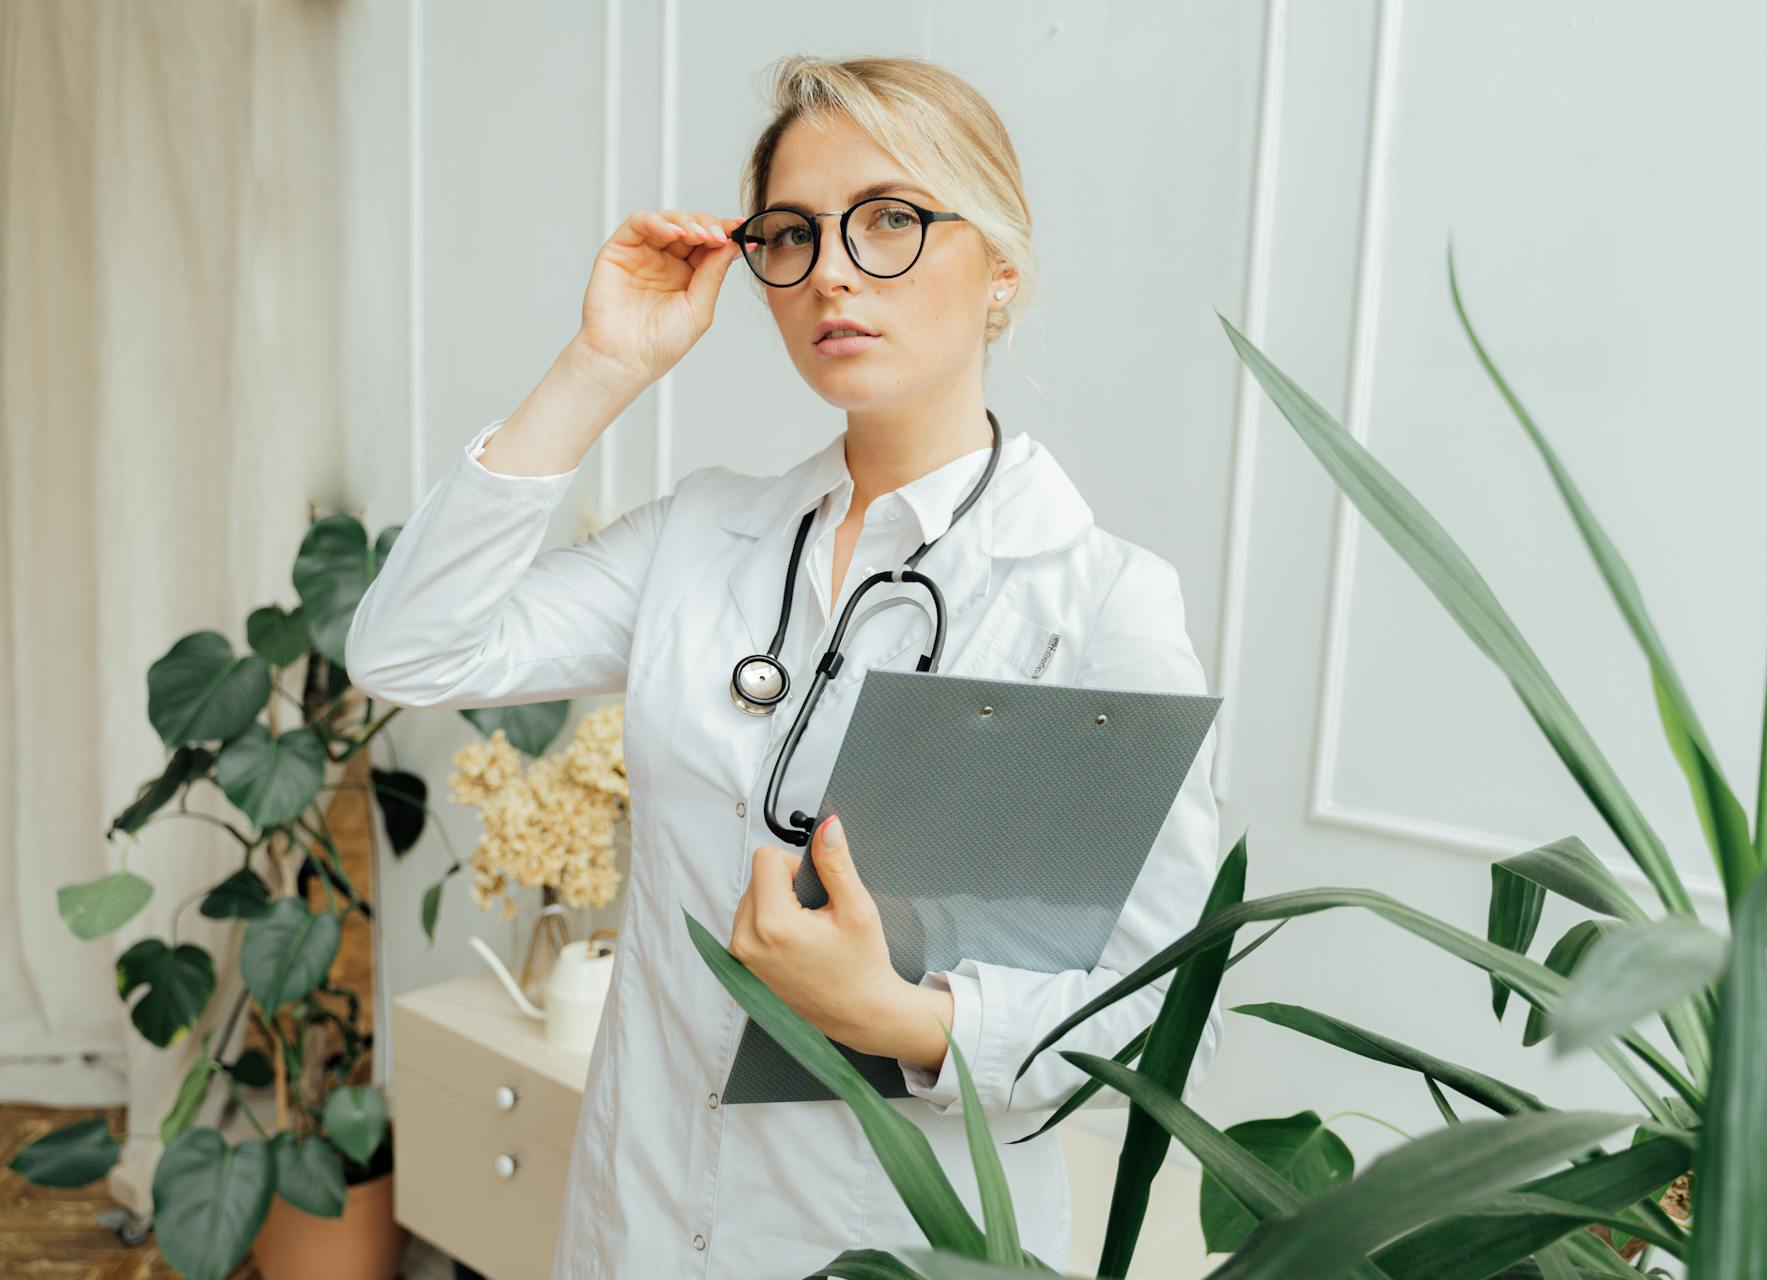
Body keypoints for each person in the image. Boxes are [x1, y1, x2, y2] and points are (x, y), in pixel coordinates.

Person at [345, 53, 1222, 1280]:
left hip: (898, 1239)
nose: (834, 273)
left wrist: (904, 1019)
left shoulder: (1100, 605)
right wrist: (603, 364)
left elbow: (1148, 1003)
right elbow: (409, 647)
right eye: (793, 235)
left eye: (892, 221)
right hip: (639, 1216)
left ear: (1003, 268)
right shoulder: (703, 537)